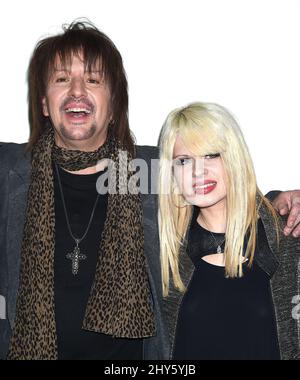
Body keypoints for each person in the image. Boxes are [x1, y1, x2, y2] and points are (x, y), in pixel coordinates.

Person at [0, 21, 299, 360]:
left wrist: (278, 203)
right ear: (43, 103)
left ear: (113, 105)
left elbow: (219, 181)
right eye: (61, 79)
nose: (77, 90)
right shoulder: (7, 172)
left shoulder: (154, 169)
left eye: (94, 79)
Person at [158, 102, 300, 360]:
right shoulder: (163, 249)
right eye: (183, 160)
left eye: (211, 155)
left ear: (234, 157)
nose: (197, 171)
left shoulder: (286, 236)